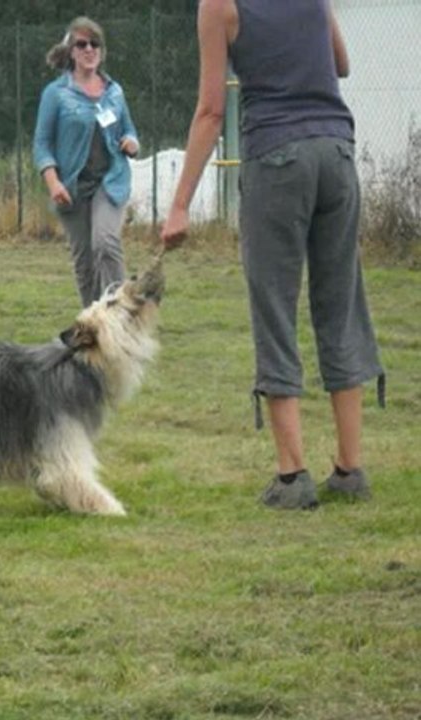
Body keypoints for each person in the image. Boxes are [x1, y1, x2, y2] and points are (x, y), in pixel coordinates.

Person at [160, 0, 384, 509]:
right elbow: (341, 64)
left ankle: (292, 475)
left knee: (275, 309)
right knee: (341, 302)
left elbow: (211, 111)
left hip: (277, 157)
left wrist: (180, 204)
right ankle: (350, 468)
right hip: (337, 151)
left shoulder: (219, 5)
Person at [33, 17, 140, 308]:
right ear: (71, 52)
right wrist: (53, 183)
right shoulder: (56, 94)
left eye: (95, 44)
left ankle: (120, 312)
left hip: (111, 181)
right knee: (84, 262)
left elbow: (130, 130)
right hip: (72, 188)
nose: (89, 49)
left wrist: (132, 143)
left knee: (105, 243)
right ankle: (93, 321)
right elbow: (42, 144)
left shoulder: (114, 92)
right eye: (82, 44)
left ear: (102, 52)